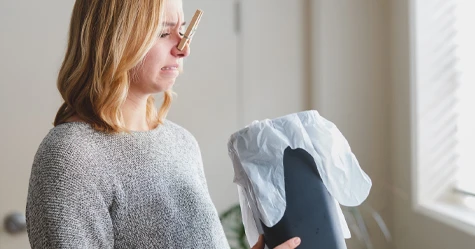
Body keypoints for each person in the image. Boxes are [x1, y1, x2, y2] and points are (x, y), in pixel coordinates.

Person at [25, 0, 301, 248]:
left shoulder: (181, 143)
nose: (184, 48)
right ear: (113, 39)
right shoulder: (70, 157)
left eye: (182, 30)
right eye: (163, 32)